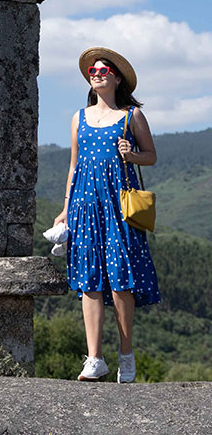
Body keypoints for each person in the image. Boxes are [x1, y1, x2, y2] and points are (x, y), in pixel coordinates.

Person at [53, 46, 160, 382]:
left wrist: (132, 154)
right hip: (85, 205)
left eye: (102, 71)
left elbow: (152, 156)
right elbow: (74, 167)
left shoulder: (132, 117)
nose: (96, 74)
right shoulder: (78, 118)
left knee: (121, 284)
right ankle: (94, 359)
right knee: (89, 283)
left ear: (115, 78)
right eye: (93, 71)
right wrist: (65, 209)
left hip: (119, 207)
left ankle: (126, 357)